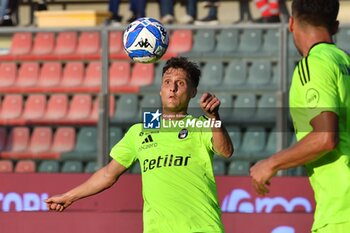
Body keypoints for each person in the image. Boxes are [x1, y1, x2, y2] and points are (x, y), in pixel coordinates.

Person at [45, 57, 234, 233]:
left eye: (180, 83)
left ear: (193, 92)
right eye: (167, 82)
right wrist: (69, 197)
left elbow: (226, 152)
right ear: (160, 89)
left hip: (201, 228)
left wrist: (214, 117)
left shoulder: (202, 124)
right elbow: (107, 174)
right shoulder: (139, 131)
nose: (172, 88)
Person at [250, 0, 350, 232]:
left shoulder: (314, 65)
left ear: (291, 23)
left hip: (341, 213)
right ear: (335, 27)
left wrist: (270, 164)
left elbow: (325, 138)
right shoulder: (344, 62)